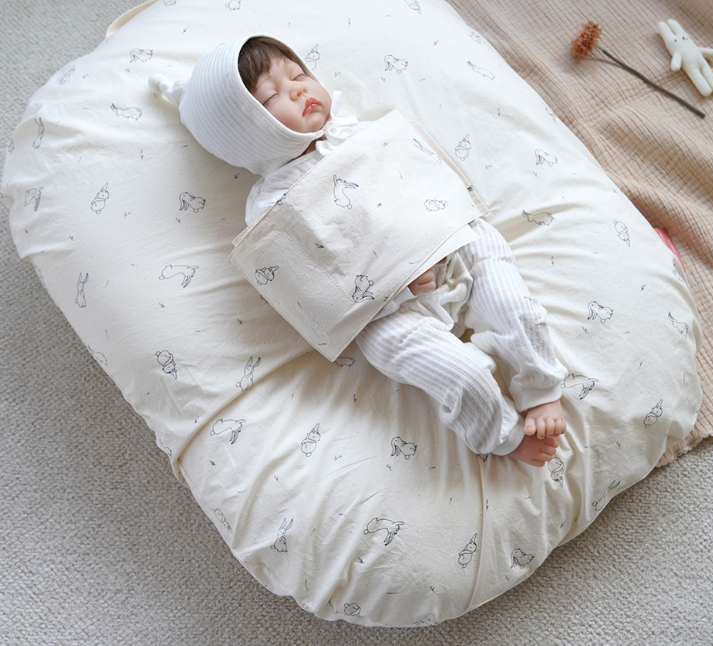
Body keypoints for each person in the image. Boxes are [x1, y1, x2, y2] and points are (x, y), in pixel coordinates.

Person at [149, 35, 567, 467]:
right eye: (272, 97)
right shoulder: (269, 206)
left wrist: (435, 237)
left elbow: (427, 182)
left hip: (456, 249)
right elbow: (311, 281)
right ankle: (505, 436)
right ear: (244, 137)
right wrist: (395, 283)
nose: (298, 90)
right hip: (390, 313)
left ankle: (540, 386)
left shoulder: (365, 134)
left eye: (298, 75)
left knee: (514, 304)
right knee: (462, 376)